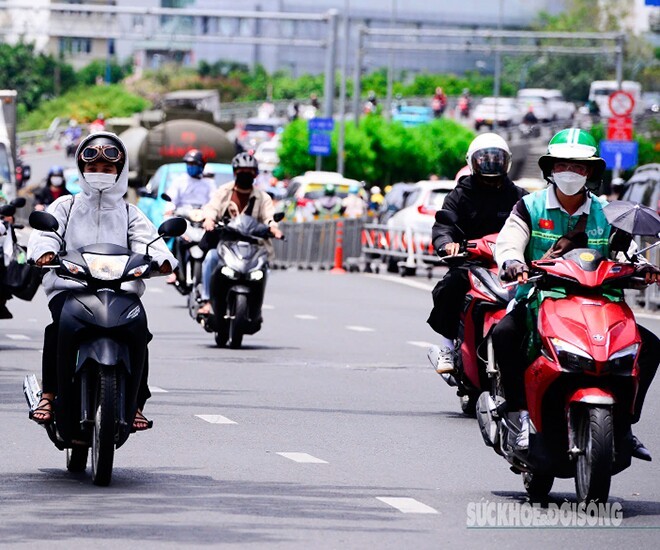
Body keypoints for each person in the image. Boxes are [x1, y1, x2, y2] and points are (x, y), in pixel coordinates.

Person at [492, 128, 659, 456]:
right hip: (540, 299)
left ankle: (625, 426)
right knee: (504, 334)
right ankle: (519, 415)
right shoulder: (529, 207)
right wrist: (512, 262)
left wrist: (642, 270)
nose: (570, 172)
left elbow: (623, 255)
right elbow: (509, 243)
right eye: (562, 165)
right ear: (550, 169)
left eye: (578, 166)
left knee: (650, 347)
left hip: (600, 304)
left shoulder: (607, 213)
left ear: (591, 172)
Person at [27, 132, 176, 429]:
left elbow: (149, 242)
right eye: (93, 168)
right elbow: (46, 235)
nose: (100, 173)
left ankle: (136, 403)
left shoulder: (130, 212)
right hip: (71, 289)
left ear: (119, 172)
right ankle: (49, 394)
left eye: (107, 169)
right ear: (81, 169)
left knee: (139, 331)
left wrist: (162, 260)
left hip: (120, 290)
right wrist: (45, 252)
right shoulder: (66, 205)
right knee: (57, 329)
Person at [427, 133, 527, 373]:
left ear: (507, 161)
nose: (491, 163)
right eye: (484, 158)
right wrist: (446, 243)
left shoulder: (520, 196)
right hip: (470, 263)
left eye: (497, 158)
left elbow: (534, 224)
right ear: (472, 161)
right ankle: (447, 346)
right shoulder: (459, 195)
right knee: (449, 288)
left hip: (511, 264)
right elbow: (443, 226)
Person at [197, 152, 283, 315]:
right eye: (242, 171)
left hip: (252, 246)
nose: (245, 175)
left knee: (264, 268)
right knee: (211, 258)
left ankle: (255, 308)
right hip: (226, 243)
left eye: (249, 172)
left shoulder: (262, 197)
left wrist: (273, 228)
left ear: (255, 174)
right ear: (235, 172)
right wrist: (209, 219)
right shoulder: (224, 191)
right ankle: (207, 300)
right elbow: (212, 207)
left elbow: (269, 217)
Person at [163, 149, 216, 283]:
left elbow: (214, 202)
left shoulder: (209, 183)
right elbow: (171, 200)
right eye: (189, 164)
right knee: (176, 238)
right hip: (184, 218)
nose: (191, 167)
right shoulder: (179, 181)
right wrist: (170, 209)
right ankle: (174, 271)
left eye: (194, 164)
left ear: (201, 166)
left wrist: (211, 215)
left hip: (202, 219)